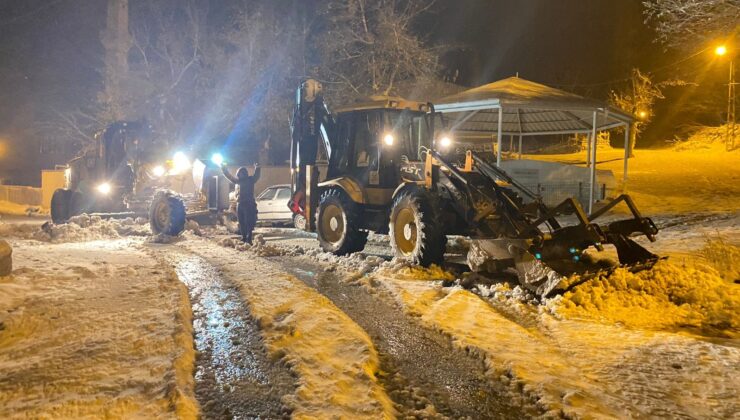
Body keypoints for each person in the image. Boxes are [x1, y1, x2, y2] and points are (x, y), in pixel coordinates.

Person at [222, 162, 261, 244]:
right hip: (240, 204)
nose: (240, 175)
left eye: (242, 173)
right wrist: (224, 168)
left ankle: (249, 238)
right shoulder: (237, 181)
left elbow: (256, 176)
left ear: (245, 174)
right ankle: (244, 237)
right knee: (241, 222)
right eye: (239, 173)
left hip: (248, 204)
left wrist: (258, 167)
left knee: (248, 222)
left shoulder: (250, 180)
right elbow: (229, 176)